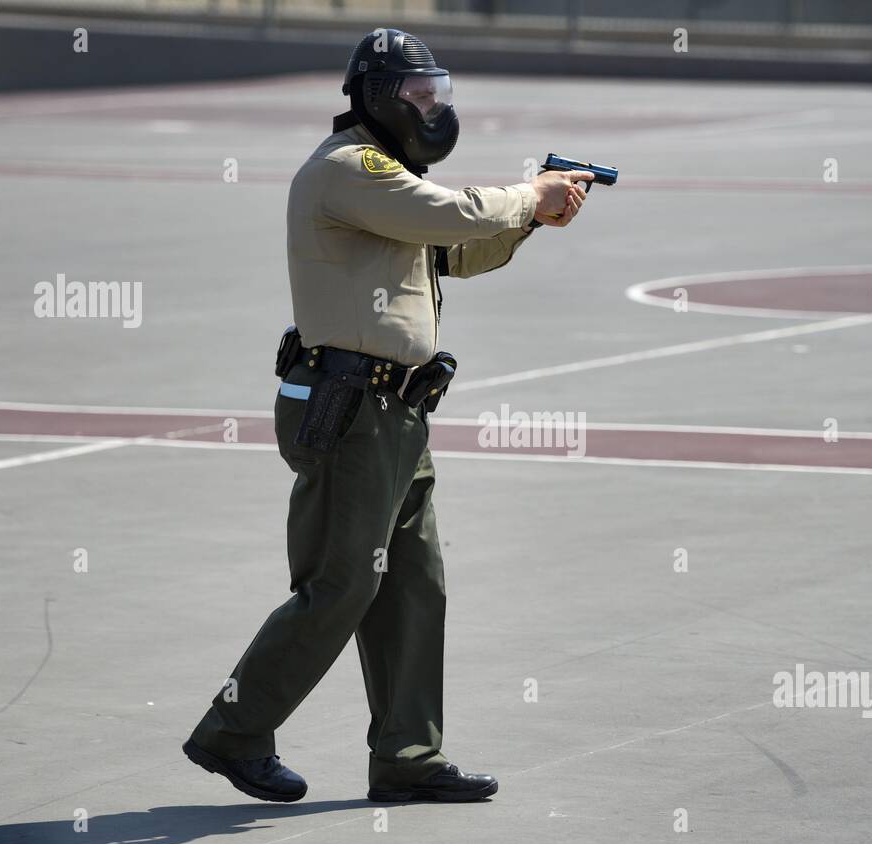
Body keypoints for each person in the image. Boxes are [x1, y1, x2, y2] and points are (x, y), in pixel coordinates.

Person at [183, 28, 592, 803]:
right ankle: (233, 732)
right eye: (419, 95)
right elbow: (456, 213)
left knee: (412, 584)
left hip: (397, 411)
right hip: (352, 411)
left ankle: (407, 757)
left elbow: (458, 250)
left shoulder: (391, 184)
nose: (433, 108)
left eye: (438, 93)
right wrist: (526, 194)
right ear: (377, 97)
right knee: (340, 586)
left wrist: (534, 218)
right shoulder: (351, 169)